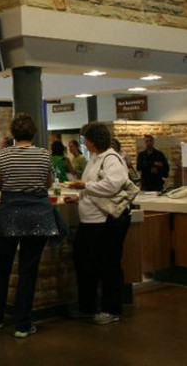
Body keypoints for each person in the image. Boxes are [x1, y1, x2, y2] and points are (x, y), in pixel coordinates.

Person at [0, 113, 58, 338]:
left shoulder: (4, 156)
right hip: (38, 216)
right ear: (33, 133)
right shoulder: (43, 155)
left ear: (14, 134)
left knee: (1, 267)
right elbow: (48, 184)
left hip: (9, 216)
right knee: (29, 269)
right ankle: (23, 324)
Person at [67, 121, 132, 326]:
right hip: (90, 220)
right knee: (84, 262)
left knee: (108, 265)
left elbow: (113, 184)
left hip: (105, 221)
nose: (84, 143)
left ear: (94, 140)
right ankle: (87, 306)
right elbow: (93, 188)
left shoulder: (112, 158)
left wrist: (84, 185)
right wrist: (78, 197)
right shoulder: (94, 159)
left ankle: (111, 309)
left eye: (86, 139)